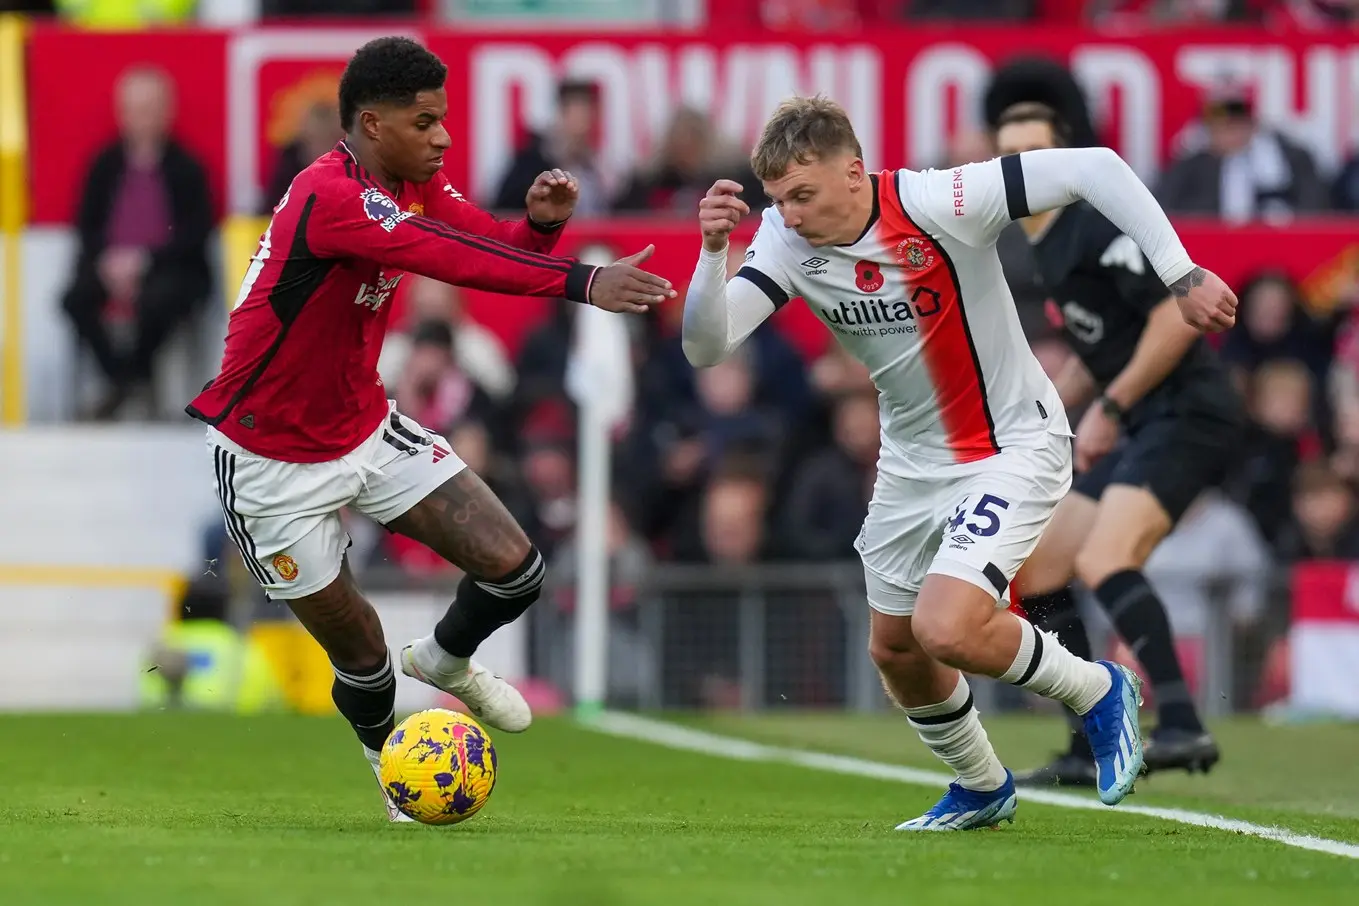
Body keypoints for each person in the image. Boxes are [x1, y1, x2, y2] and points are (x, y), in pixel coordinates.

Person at [682, 95, 1236, 830]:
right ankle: (981, 785)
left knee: (948, 628)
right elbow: (706, 346)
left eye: (802, 195)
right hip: (911, 463)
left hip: (1010, 446)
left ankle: (1099, 690)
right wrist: (712, 253)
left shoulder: (940, 199)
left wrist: (1179, 272)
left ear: (854, 172)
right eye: (778, 199)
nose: (786, 213)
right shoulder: (785, 241)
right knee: (898, 651)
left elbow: (1095, 168)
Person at [186, 37, 674, 822]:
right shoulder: (332, 196)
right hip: (267, 458)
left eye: (443, 120)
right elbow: (446, 259)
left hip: (363, 428)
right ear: (373, 124)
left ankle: (446, 659)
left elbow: (479, 241)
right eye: (426, 122)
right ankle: (394, 774)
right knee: (363, 659)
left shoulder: (409, 180)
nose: (443, 137)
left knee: (516, 568)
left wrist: (540, 231)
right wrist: (584, 280)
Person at [994, 102, 1245, 787]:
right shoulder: (1039, 242)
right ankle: (1087, 744)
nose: (1020, 166)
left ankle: (1182, 722)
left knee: (1106, 557)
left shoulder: (1091, 222)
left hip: (1185, 412)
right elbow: (1097, 347)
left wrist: (1108, 406)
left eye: (1034, 151)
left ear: (1061, 158)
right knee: (1041, 569)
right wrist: (1055, 407)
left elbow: (1174, 316)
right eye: (1007, 154)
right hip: (1142, 418)